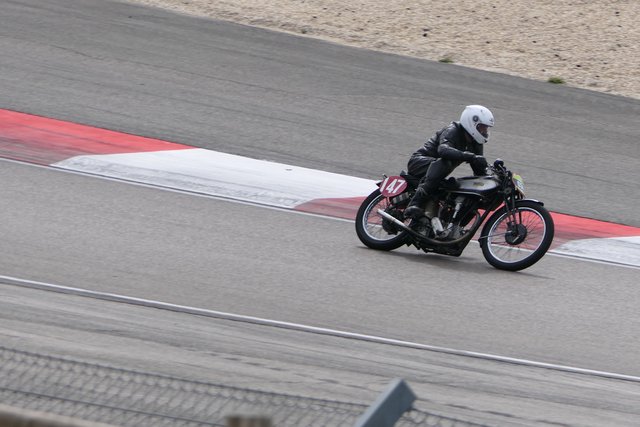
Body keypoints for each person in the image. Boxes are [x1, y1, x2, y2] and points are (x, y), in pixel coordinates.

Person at [403, 105, 494, 221]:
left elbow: (479, 171)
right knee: (445, 163)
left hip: (437, 173)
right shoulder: (453, 130)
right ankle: (414, 203)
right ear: (472, 123)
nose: (484, 131)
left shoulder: (476, 142)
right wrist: (470, 156)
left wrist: (489, 179)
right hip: (419, 162)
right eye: (482, 127)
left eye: (486, 128)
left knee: (454, 186)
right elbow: (443, 150)